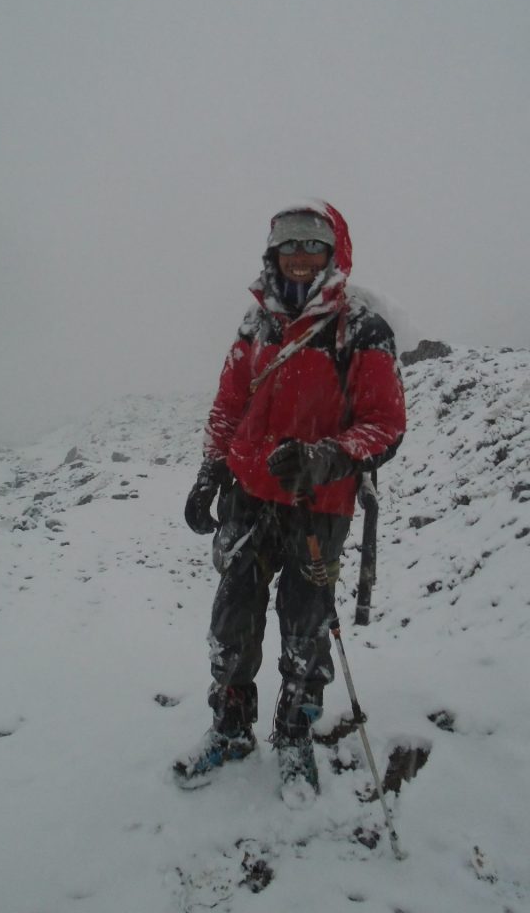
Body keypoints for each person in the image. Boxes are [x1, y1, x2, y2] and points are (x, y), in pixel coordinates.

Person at [174, 200, 406, 799]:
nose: (300, 255)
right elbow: (229, 405)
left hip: (318, 504)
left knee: (306, 627)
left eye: (312, 243)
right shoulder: (256, 325)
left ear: (334, 252)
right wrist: (210, 473)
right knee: (232, 622)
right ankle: (230, 729)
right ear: (272, 251)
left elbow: (385, 424)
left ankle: (295, 735)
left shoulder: (362, 327)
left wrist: (325, 457)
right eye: (289, 243)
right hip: (249, 495)